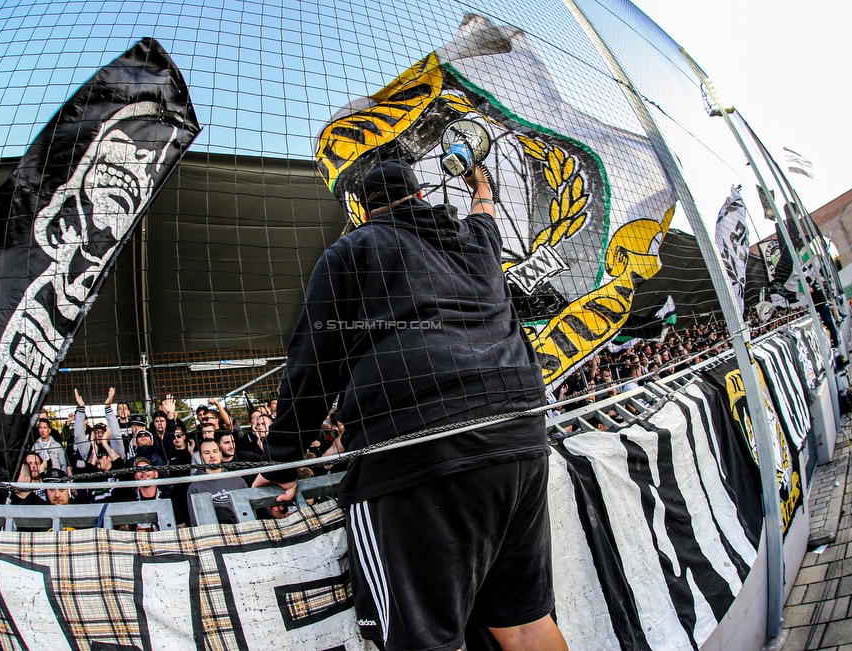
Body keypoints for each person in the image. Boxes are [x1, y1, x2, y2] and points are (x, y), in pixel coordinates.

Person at [255, 160, 566, 650]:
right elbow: (486, 212)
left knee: (420, 641)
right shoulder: (478, 240)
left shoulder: (351, 250)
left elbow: (312, 364)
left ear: (364, 209)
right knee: (525, 622)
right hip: (520, 437)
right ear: (421, 196)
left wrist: (283, 463)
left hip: (419, 450)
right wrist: (479, 183)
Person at [185, 439, 248, 525]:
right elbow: (195, 521)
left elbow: (250, 514)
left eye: (215, 451)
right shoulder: (195, 487)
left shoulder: (238, 481)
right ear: (201, 457)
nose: (212, 455)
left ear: (220, 454)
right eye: (207, 453)